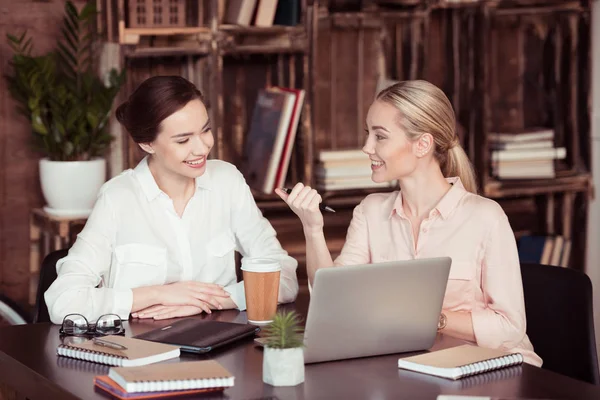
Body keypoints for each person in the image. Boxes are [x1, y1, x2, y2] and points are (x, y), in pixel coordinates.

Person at [275, 80, 542, 366]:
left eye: (380, 136)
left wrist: (429, 318)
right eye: (368, 135)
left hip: (489, 369)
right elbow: (333, 299)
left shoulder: (486, 217)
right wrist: (312, 229)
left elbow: (510, 327)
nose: (367, 147)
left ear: (422, 144)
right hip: (409, 368)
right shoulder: (371, 212)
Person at [45, 76, 298, 324]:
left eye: (206, 130)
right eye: (183, 140)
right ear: (147, 143)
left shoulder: (227, 181)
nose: (201, 148)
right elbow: (63, 302)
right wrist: (159, 294)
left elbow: (284, 278)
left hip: (216, 345)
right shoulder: (118, 198)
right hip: (139, 351)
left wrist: (208, 300)